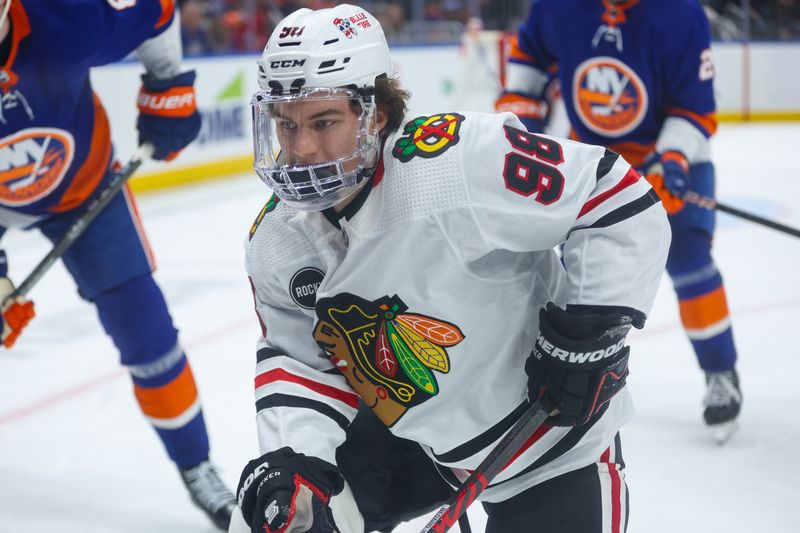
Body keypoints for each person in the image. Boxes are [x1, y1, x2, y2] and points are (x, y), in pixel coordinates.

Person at [230, 4, 669, 532]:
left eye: (324, 122)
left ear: (377, 115)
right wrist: (295, 459)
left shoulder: (452, 163)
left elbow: (613, 195)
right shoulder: (278, 240)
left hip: (551, 436)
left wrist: (589, 328)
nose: (300, 149)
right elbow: (299, 362)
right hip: (423, 441)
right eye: (285, 124)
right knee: (287, 510)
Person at [0, 1, 235, 528]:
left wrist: (167, 84)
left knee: (145, 330)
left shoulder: (65, 17)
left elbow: (157, 11)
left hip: (82, 188)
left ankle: (196, 465)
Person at [496, 0, 743, 443]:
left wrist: (671, 159)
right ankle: (562, 385)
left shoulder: (681, 14)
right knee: (576, 278)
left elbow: (694, 108)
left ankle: (721, 371)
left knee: (691, 264)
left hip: (668, 165)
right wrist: (521, 126)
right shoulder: (556, 7)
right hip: (593, 165)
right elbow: (529, 59)